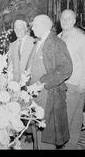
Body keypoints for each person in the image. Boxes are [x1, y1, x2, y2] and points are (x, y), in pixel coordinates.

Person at [25, 14, 73, 149]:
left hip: (48, 95)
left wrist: (43, 82)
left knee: (47, 138)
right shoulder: (40, 41)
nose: (32, 28)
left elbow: (66, 68)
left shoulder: (56, 43)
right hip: (36, 97)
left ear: (44, 26)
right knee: (37, 135)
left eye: (34, 25)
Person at [57, 9, 85, 149]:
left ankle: (70, 146)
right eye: (62, 18)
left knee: (73, 120)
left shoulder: (81, 38)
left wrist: (83, 84)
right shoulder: (58, 37)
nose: (65, 21)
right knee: (62, 118)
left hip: (74, 83)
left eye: (68, 19)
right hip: (59, 84)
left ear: (74, 21)